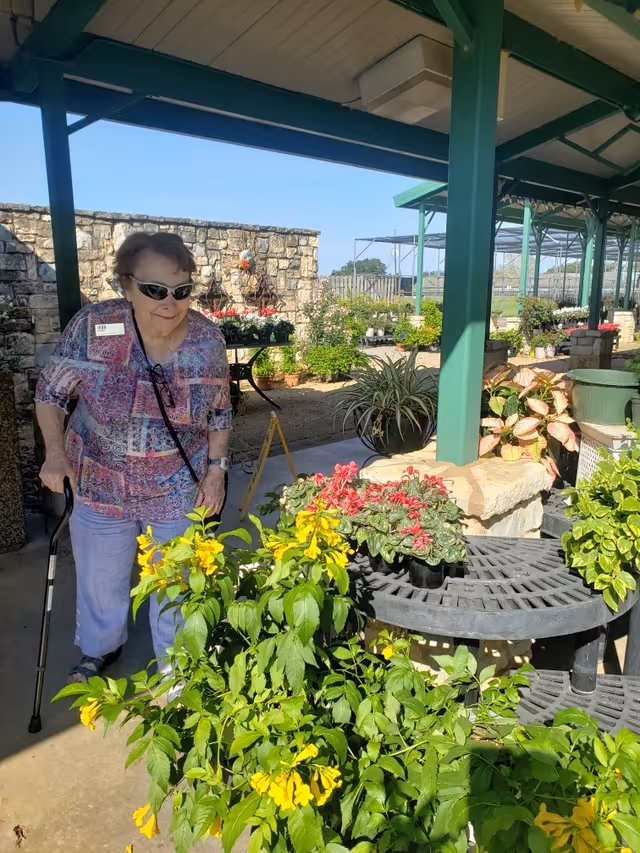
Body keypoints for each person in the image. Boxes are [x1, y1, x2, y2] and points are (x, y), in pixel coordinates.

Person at [35, 231, 232, 683]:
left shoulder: (207, 340)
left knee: (175, 584)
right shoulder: (93, 326)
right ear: (126, 284)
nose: (170, 302)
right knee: (101, 578)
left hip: (176, 485)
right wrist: (55, 455)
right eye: (155, 290)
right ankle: (100, 648)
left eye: (182, 290)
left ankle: (177, 673)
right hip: (99, 480)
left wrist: (216, 473)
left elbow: (221, 411)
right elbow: (50, 393)